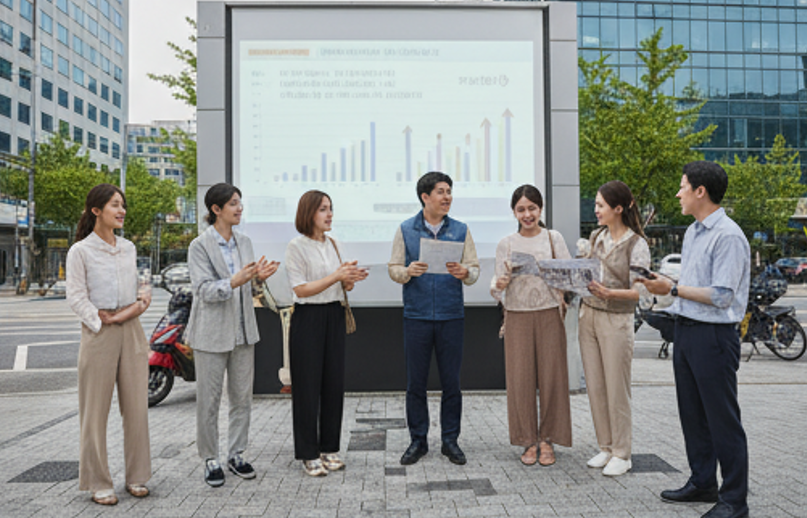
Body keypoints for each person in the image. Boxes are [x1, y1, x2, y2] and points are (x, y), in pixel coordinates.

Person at [639, 161, 750, 518]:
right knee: (693, 415)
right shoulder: (693, 232)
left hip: (714, 336)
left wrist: (671, 287)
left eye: (683, 186)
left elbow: (722, 296)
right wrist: (667, 284)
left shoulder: (728, 236)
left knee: (722, 419)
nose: (678, 192)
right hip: (686, 330)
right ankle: (703, 482)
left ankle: (734, 501)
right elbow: (692, 286)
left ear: (700, 191)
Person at [186, 183, 278, 487]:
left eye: (240, 203)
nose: (240, 209)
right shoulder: (199, 246)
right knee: (209, 401)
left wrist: (257, 280)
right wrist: (235, 280)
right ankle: (210, 459)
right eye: (234, 204)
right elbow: (203, 291)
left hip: (243, 330)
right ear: (216, 209)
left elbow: (249, 290)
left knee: (242, 398)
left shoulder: (245, 242)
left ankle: (236, 454)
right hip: (210, 333)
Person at [66, 183, 152, 505]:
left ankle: (138, 476)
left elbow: (145, 289)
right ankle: (98, 481)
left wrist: (128, 312)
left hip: (131, 329)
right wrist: (101, 320)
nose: (122, 210)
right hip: (98, 332)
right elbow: (74, 296)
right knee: (94, 411)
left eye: (123, 205)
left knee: (136, 408)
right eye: (115, 205)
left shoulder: (129, 248)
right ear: (96, 210)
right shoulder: (81, 251)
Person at [388, 171, 480, 466]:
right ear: (425, 197)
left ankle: (450, 440)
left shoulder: (462, 230)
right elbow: (393, 268)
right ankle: (418, 440)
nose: (447, 197)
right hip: (416, 316)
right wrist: (408, 271)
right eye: (441, 192)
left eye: (449, 191)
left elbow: (474, 269)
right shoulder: (405, 229)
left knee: (451, 382)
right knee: (416, 383)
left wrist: (466, 273)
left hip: (452, 315)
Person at [285, 190, 368, 476]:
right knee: (307, 388)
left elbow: (344, 287)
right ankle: (309, 453)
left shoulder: (335, 244)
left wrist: (350, 279)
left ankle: (329, 449)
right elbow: (301, 289)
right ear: (308, 213)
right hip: (308, 317)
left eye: (330, 208)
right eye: (323, 209)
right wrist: (336, 276)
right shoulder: (296, 246)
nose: (329, 214)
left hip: (334, 314)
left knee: (333, 385)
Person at [490, 184, 572, 467]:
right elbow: (495, 283)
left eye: (532, 208)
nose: (527, 214)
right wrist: (500, 282)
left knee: (552, 378)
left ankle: (548, 439)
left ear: (541, 208)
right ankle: (528, 440)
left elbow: (569, 276)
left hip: (549, 312)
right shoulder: (507, 243)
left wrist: (551, 272)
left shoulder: (553, 238)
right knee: (520, 379)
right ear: (514, 212)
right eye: (521, 209)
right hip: (517, 314)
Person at [578, 180, 650, 477]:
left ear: (618, 209)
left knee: (616, 388)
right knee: (595, 385)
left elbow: (643, 292)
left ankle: (622, 452)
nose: (595, 210)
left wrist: (611, 294)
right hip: (589, 316)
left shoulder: (637, 244)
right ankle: (606, 446)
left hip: (617, 320)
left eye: (600, 205)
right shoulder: (596, 237)